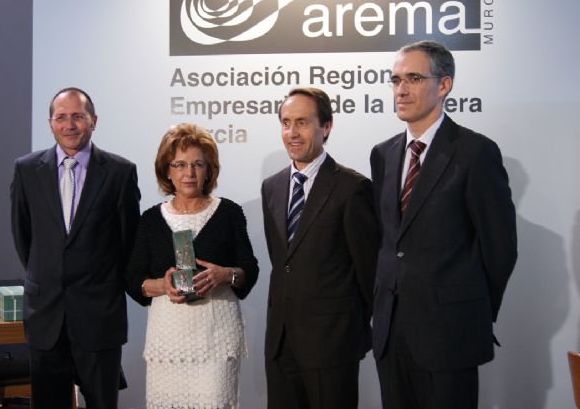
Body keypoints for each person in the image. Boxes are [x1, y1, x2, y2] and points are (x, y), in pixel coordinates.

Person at [369, 40, 517, 408]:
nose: (401, 89)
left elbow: (500, 248)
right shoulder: (383, 154)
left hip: (451, 333)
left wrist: (470, 310)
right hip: (391, 331)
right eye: (396, 79)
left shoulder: (475, 152)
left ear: (444, 85)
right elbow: (388, 240)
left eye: (414, 78)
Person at [10, 87, 141, 409]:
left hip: (99, 316)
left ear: (93, 121)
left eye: (78, 117)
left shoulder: (120, 173)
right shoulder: (27, 170)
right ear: (50, 123)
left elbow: (128, 242)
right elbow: (23, 236)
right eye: (61, 117)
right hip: (46, 315)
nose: (69, 125)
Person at [125, 123, 259, 409]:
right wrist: (161, 285)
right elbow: (133, 278)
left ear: (209, 170)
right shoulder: (150, 220)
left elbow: (249, 269)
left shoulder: (229, 212)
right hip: (168, 342)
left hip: (216, 339)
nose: (190, 172)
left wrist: (225, 274)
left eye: (199, 164)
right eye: (181, 164)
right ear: (167, 171)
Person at [261, 87, 380, 408]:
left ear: (326, 127)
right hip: (280, 342)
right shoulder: (271, 187)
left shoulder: (352, 188)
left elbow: (370, 274)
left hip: (331, 345)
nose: (291, 133)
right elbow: (283, 263)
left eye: (302, 122)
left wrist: (345, 330)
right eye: (286, 123)